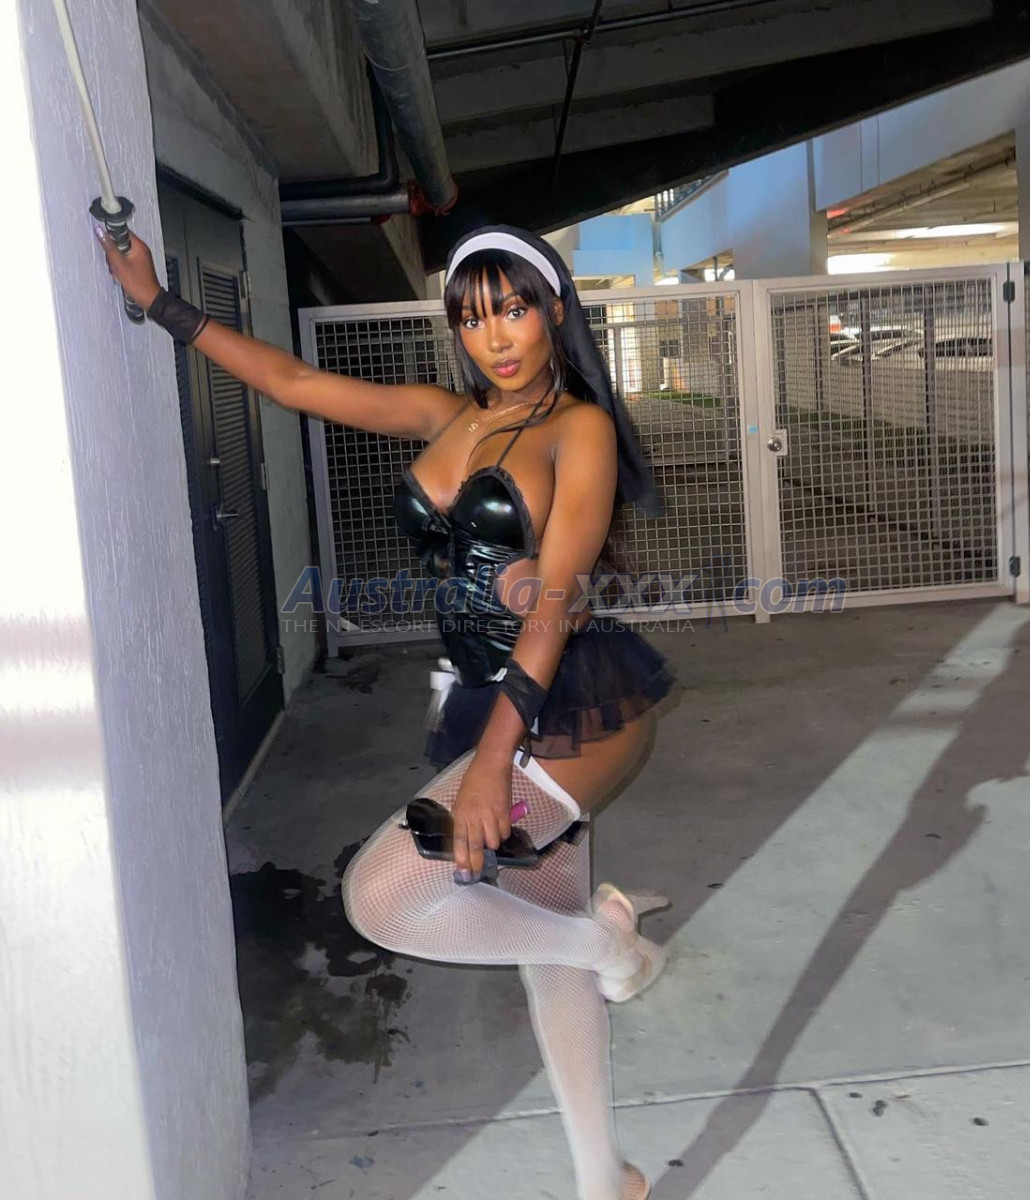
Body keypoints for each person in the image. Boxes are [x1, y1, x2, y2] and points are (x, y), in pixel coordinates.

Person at [96, 220, 678, 1200]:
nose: (494, 335)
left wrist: (490, 766)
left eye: (514, 308)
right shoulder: (444, 415)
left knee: (384, 896)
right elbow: (293, 382)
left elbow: (554, 604)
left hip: (571, 708)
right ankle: (604, 1176)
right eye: (472, 317)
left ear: (553, 311)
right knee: (542, 946)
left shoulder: (576, 430)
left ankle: (608, 942)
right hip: (489, 700)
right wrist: (161, 305)